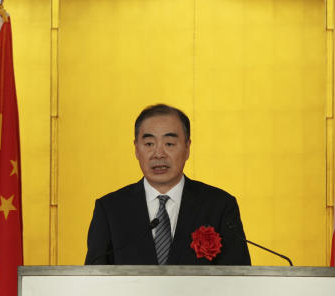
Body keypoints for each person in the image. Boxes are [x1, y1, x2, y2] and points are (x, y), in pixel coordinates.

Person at [85, 104, 252, 265]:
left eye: (169, 144)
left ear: (187, 148)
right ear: (136, 148)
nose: (158, 154)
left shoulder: (219, 206)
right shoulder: (110, 210)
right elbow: (92, 281)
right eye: (149, 144)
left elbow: (239, 280)